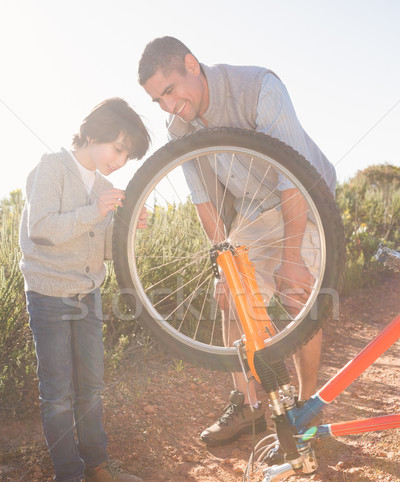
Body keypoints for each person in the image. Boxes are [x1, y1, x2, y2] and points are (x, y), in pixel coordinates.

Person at [138, 37, 336, 447]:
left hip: (306, 193)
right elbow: (204, 200)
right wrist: (222, 260)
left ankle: (305, 409)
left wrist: (292, 255)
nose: (168, 106)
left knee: (298, 290)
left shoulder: (259, 88)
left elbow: (291, 176)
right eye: (158, 100)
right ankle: (248, 407)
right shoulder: (178, 125)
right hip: (253, 208)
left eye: (170, 91)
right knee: (231, 292)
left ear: (192, 65)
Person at [19, 98, 151, 482]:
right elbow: (42, 229)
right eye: (118, 148)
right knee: (57, 393)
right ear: (93, 135)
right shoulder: (51, 166)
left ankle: (98, 467)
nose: (120, 160)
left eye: (127, 156)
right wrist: (96, 210)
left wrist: (129, 222)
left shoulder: (99, 187)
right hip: (50, 296)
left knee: (91, 387)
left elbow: (99, 246)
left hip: (89, 296)